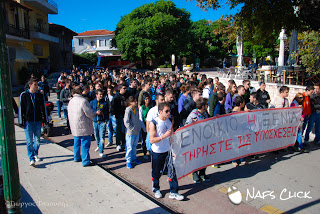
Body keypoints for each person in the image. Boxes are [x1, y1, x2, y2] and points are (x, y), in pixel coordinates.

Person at [149, 102, 184, 201]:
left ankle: (174, 191)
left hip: (168, 151)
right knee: (157, 172)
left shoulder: (169, 121)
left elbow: (171, 136)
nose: (169, 113)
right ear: (160, 112)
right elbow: (152, 140)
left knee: (172, 171)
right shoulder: (154, 123)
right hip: (157, 152)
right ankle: (156, 188)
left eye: (169, 111)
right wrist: (163, 136)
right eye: (166, 111)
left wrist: (174, 149)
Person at [19, 78, 48, 166]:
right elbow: (21, 108)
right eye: (35, 85)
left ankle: (35, 153)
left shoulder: (39, 95)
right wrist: (21, 121)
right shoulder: (24, 95)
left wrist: (45, 119)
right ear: (30, 85)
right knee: (29, 141)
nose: (37, 86)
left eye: (37, 85)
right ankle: (31, 158)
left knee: (38, 140)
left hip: (38, 121)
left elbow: (43, 107)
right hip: (28, 122)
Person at [185, 98, 211, 183]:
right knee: (196, 157)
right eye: (206, 105)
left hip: (205, 139)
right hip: (196, 140)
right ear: (203, 106)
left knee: (205, 157)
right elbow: (187, 126)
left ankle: (202, 173)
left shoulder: (205, 114)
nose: (207, 106)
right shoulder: (193, 114)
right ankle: (195, 173)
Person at [68, 86, 95, 167]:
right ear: (80, 92)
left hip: (74, 125)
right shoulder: (83, 101)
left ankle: (76, 157)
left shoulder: (71, 101)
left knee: (76, 143)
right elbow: (88, 113)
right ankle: (85, 161)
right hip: (83, 125)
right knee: (85, 144)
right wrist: (93, 116)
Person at [124, 96, 142, 169]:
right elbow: (126, 121)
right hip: (130, 133)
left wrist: (138, 128)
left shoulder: (136, 109)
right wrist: (132, 128)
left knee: (134, 146)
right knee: (129, 147)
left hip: (136, 131)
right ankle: (128, 160)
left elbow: (138, 119)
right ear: (131, 102)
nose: (136, 102)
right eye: (134, 101)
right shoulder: (128, 110)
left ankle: (134, 158)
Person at [90, 90, 109, 158]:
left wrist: (105, 121)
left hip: (102, 122)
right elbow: (89, 111)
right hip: (95, 122)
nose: (101, 96)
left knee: (102, 137)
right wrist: (95, 113)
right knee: (97, 136)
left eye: (102, 94)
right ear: (96, 95)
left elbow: (107, 113)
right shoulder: (92, 103)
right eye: (100, 94)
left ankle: (101, 151)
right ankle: (98, 146)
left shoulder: (105, 103)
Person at [111, 84, 127, 151]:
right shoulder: (116, 97)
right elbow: (113, 106)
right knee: (119, 130)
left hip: (125, 115)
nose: (125, 90)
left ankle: (123, 142)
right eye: (124, 88)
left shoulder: (126, 96)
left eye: (126, 88)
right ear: (120, 89)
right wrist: (115, 113)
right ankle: (118, 144)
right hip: (119, 115)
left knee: (124, 130)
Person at [231, 96, 246, 166]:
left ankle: (242, 158)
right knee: (235, 145)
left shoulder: (241, 111)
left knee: (242, 144)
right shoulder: (234, 112)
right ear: (240, 104)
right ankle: (234, 160)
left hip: (241, 130)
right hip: (235, 131)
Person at [139, 93, 152, 159]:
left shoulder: (151, 107)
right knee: (144, 139)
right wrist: (144, 128)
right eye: (146, 99)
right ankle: (144, 152)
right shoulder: (142, 108)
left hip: (151, 126)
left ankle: (150, 151)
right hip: (144, 126)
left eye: (148, 99)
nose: (147, 100)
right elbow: (140, 118)